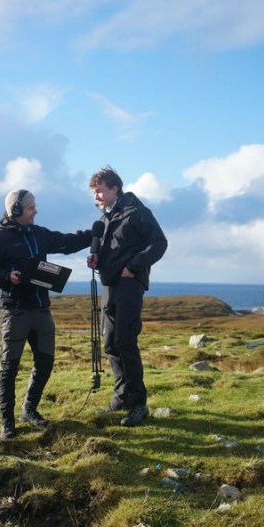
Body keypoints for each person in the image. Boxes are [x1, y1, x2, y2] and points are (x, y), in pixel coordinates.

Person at [0, 189, 92, 440]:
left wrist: (95, 232)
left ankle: (28, 409)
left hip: (41, 309)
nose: (36, 211)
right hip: (15, 311)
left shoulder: (39, 233)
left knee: (45, 363)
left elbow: (67, 242)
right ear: (16, 211)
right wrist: (7, 277)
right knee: (9, 368)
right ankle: (7, 423)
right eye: (31, 208)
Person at [87, 166, 168, 427]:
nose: (96, 197)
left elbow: (159, 243)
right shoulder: (107, 218)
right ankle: (121, 396)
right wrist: (97, 259)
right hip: (110, 285)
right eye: (94, 193)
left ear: (114, 189)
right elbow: (116, 249)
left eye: (99, 191)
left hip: (130, 284)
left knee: (124, 339)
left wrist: (133, 266)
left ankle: (138, 403)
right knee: (110, 341)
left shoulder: (137, 212)